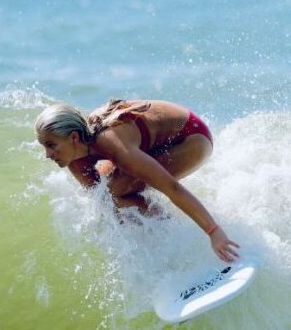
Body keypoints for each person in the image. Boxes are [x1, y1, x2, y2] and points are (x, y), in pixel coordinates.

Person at [34, 99, 240, 262]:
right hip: (146, 143)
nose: (47, 154)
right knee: (107, 196)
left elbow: (172, 188)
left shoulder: (113, 145)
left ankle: (182, 247)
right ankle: (164, 246)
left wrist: (214, 232)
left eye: (51, 145)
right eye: (44, 146)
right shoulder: (74, 159)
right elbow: (104, 204)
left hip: (191, 136)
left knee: (117, 189)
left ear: (73, 138)